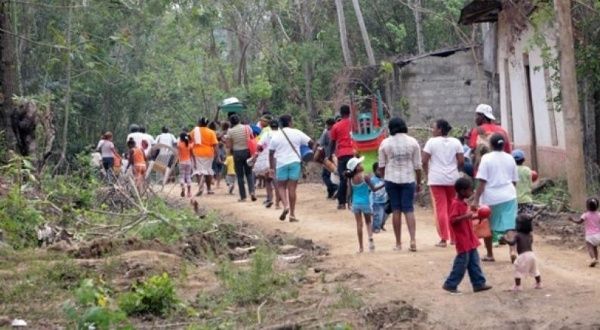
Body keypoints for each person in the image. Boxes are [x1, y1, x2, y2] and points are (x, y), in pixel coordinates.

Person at [472, 133, 519, 262]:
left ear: (491, 145)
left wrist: (476, 200)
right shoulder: (510, 158)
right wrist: (511, 192)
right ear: (503, 145)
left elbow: (482, 182)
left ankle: (490, 254)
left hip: (490, 197)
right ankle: (513, 251)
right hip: (509, 195)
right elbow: (514, 181)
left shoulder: (486, 158)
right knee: (510, 225)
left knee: (487, 227)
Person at [378, 117, 422, 252]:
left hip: (391, 179)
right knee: (408, 209)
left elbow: (381, 165)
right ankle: (413, 240)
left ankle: (398, 243)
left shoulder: (385, 143)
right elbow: (418, 166)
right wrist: (418, 182)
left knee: (396, 209)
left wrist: (384, 177)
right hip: (408, 179)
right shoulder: (413, 142)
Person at [442, 177, 492, 294]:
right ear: (462, 191)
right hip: (463, 239)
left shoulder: (463, 203)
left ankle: (478, 283)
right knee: (461, 263)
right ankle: (450, 284)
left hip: (469, 238)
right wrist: (467, 216)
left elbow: (466, 218)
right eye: (470, 190)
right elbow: (453, 220)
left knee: (474, 262)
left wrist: (478, 216)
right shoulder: (456, 204)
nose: (471, 192)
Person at [422, 119, 464, 247]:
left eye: (433, 128)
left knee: (441, 208)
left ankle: (443, 238)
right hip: (452, 178)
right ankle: (455, 238)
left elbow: (424, 160)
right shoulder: (456, 142)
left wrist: (427, 173)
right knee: (452, 207)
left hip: (436, 178)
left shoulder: (431, 142)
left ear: (440, 129)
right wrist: (456, 170)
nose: (432, 130)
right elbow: (461, 161)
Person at [269, 114, 313, 222]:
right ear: (289, 122)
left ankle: (285, 205)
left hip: (281, 163)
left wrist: (271, 168)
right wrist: (304, 151)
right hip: (294, 162)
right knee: (292, 188)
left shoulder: (276, 136)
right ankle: (292, 214)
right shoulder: (297, 132)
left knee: (281, 187)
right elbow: (311, 142)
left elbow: (271, 153)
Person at [345, 156, 383, 253]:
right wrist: (384, 184)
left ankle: (361, 247)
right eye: (359, 164)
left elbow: (349, 192)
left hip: (356, 203)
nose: (361, 165)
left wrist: (348, 202)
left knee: (359, 224)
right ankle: (371, 242)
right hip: (365, 203)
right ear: (356, 167)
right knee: (368, 223)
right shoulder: (365, 177)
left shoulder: (350, 179)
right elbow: (374, 189)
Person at [500, 215, 542, 291]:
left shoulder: (518, 235)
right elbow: (530, 242)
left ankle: (518, 286)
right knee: (535, 270)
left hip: (523, 255)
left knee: (518, 270)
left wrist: (505, 239)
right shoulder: (530, 235)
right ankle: (539, 283)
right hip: (532, 254)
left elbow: (512, 243)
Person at [468, 104, 512, 173]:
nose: (475, 118)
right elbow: (508, 151)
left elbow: (473, 151)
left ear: (482, 116)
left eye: (477, 115)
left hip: (482, 172)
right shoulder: (502, 131)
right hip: (500, 170)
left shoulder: (477, 130)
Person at [329, 105, 355, 209]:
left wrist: (330, 154)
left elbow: (332, 142)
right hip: (353, 153)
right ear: (349, 112)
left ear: (341, 113)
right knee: (354, 178)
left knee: (343, 179)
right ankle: (353, 202)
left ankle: (341, 203)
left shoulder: (336, 126)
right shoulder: (354, 124)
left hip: (342, 154)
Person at [226, 114, 256, 202]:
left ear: (231, 122)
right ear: (239, 120)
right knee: (249, 173)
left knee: (240, 176)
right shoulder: (246, 128)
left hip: (237, 153)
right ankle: (252, 191)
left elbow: (228, 145)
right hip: (247, 152)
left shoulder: (230, 131)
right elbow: (251, 137)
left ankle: (243, 196)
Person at [190, 117, 218, 196]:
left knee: (199, 171)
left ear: (199, 123)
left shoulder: (194, 131)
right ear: (207, 124)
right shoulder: (211, 132)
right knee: (208, 171)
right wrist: (217, 154)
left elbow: (188, 140)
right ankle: (209, 189)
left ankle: (201, 187)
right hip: (209, 154)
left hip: (197, 153)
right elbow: (215, 144)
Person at [568, 197, 600, 267]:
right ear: (597, 206)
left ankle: (593, 258)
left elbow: (579, 222)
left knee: (590, 247)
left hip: (589, 236)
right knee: (595, 247)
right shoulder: (599, 214)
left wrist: (572, 220)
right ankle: (596, 259)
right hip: (598, 235)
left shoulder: (586, 214)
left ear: (587, 206)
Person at [254, 118, 278, 208]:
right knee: (278, 180)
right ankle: (279, 201)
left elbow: (259, 146)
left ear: (270, 126)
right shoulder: (281, 134)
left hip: (269, 158)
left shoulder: (267, 134)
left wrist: (258, 154)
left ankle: (270, 199)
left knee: (268, 179)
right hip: (281, 158)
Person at [317, 118, 338, 199]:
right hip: (338, 156)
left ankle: (333, 189)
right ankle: (333, 191)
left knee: (326, 175)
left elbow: (320, 144)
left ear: (329, 125)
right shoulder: (338, 130)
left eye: (327, 125)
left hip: (329, 157)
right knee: (336, 174)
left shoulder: (326, 133)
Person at [512, 149, 534, 214]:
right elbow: (530, 185)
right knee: (527, 221)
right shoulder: (528, 170)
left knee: (516, 221)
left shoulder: (511, 170)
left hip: (514, 201)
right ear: (524, 159)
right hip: (527, 200)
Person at [370, 162, 388, 233]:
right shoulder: (373, 180)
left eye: (382, 170)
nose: (380, 172)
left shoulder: (385, 179)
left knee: (384, 215)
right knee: (378, 215)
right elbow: (371, 191)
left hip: (384, 200)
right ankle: (375, 227)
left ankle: (380, 225)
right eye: (378, 170)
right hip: (376, 201)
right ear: (374, 171)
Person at [177, 132, 195, 198]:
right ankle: (189, 192)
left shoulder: (179, 145)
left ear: (181, 138)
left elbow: (178, 152)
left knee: (182, 176)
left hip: (182, 162)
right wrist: (189, 137)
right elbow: (193, 143)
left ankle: (183, 187)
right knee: (188, 176)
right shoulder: (189, 145)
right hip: (188, 162)